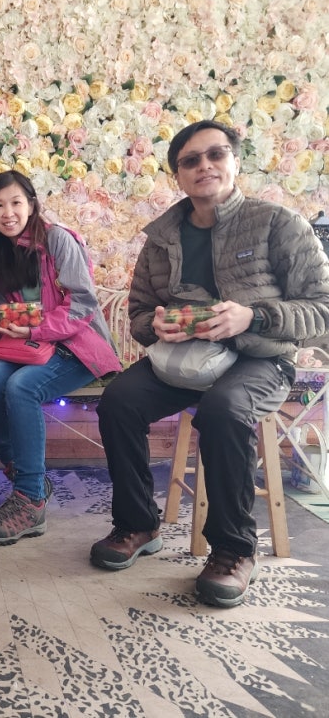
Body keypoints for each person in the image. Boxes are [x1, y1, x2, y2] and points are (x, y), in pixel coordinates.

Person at [92, 120, 329, 607]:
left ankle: (233, 550)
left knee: (223, 411)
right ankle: (137, 525)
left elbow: (321, 310)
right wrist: (156, 325)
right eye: (190, 160)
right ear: (178, 174)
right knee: (118, 401)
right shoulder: (162, 237)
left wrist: (253, 316)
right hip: (186, 358)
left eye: (215, 154)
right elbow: (139, 313)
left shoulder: (278, 223)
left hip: (261, 358)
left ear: (235, 161)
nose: (204, 166)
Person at [0, 170, 121, 544]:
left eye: (16, 203)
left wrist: (33, 329)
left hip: (77, 343)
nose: (8, 213)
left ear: (32, 204)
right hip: (28, 344)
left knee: (21, 388)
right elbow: (4, 309)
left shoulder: (58, 239)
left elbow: (82, 304)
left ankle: (29, 501)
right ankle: (27, 476)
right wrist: (5, 323)